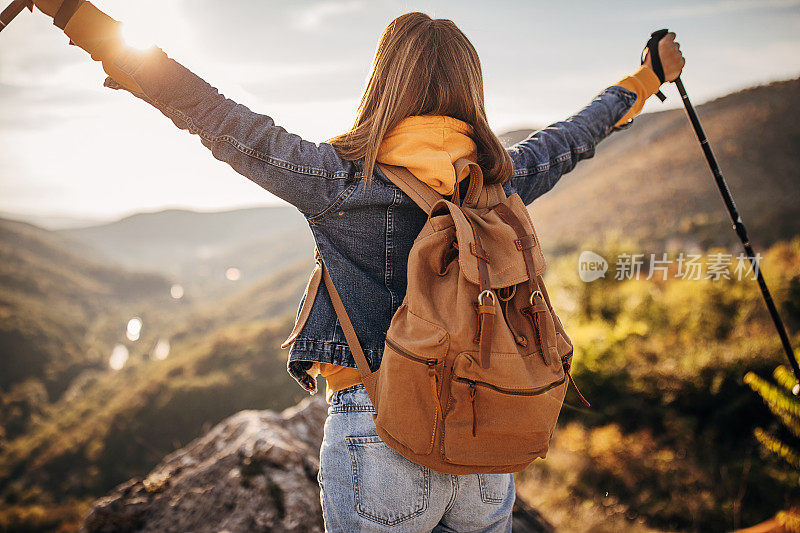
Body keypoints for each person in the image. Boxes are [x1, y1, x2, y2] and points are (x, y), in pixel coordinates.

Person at [30, 2, 684, 531]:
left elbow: (211, 112)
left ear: (382, 82)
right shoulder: (501, 180)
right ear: (470, 89)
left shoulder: (337, 180)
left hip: (379, 433)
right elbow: (581, 131)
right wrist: (651, 74)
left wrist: (77, 19)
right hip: (487, 433)